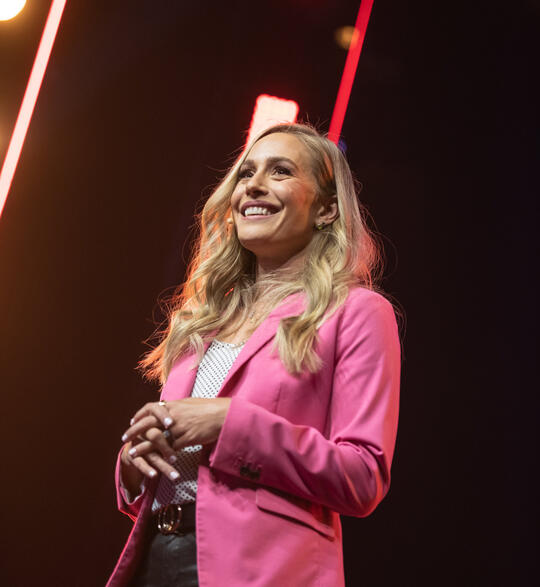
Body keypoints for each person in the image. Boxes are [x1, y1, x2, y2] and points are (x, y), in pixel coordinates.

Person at [107, 123, 401, 586]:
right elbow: (178, 472)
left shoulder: (357, 312)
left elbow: (362, 477)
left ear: (326, 209)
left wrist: (230, 423)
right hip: (156, 560)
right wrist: (133, 465)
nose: (254, 185)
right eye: (246, 173)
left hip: (262, 570)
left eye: (280, 171)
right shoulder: (202, 320)